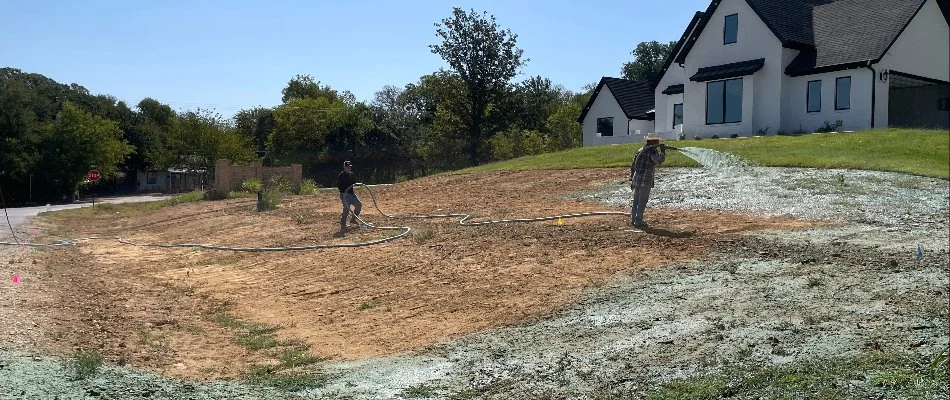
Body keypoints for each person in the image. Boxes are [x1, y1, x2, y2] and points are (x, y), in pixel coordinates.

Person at [630, 133, 667, 228]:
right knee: (642, 201)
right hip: (645, 179)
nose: (658, 142)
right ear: (652, 141)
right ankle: (638, 221)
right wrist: (663, 152)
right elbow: (658, 161)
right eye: (657, 140)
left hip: (637, 178)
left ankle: (633, 219)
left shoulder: (640, 150)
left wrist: (631, 178)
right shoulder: (652, 151)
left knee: (636, 200)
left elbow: (633, 165)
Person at [336, 160, 362, 232]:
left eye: (350, 167)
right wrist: (343, 192)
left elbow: (354, 183)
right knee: (346, 209)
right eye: (347, 167)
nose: (349, 168)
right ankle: (343, 224)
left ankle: (353, 219)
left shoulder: (352, 174)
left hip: (352, 194)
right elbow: (339, 185)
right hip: (345, 195)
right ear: (344, 167)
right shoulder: (341, 175)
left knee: (359, 205)